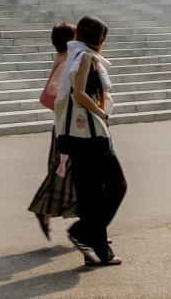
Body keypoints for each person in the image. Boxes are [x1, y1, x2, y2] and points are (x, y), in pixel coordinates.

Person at [55, 14, 124, 267]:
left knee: (90, 194)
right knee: (117, 185)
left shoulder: (76, 52)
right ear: (98, 38)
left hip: (77, 136)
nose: (104, 42)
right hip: (91, 134)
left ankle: (96, 250)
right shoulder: (84, 56)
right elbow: (81, 94)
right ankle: (83, 232)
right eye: (103, 37)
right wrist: (102, 113)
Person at [28, 22, 80, 239]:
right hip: (67, 127)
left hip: (63, 125)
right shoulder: (66, 60)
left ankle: (87, 224)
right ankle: (47, 211)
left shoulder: (61, 58)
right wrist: (75, 93)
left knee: (69, 173)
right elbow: (51, 89)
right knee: (69, 171)